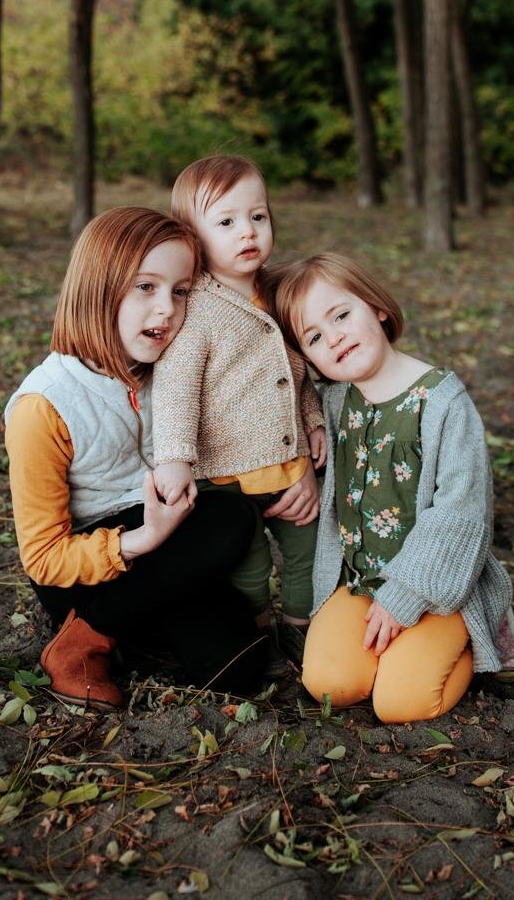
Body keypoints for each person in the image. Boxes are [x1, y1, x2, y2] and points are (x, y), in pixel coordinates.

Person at [3, 206, 266, 708]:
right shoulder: (45, 405)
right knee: (227, 519)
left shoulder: (173, 369)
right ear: (98, 288)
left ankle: (126, 630)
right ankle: (84, 642)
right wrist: (145, 538)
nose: (166, 309)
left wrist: (298, 460)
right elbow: (43, 558)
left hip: (172, 553)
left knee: (239, 666)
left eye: (181, 290)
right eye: (145, 287)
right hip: (90, 567)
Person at [272, 252, 514, 723]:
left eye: (342, 315)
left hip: (435, 589)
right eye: (314, 337)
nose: (335, 338)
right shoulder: (333, 402)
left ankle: (476, 634)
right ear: (307, 357)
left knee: (400, 704)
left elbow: (460, 513)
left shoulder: (442, 402)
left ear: (378, 307)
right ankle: (395, 653)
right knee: (330, 686)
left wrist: (405, 598)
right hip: (360, 582)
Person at [151, 155, 325, 668]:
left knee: (306, 555)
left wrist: (313, 419)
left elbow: (298, 372)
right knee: (247, 567)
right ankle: (256, 634)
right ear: (193, 236)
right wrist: (176, 457)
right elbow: (176, 388)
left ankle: (301, 629)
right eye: (225, 222)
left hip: (287, 463)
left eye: (258, 216)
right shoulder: (197, 309)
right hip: (224, 473)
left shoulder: (278, 293)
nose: (246, 232)